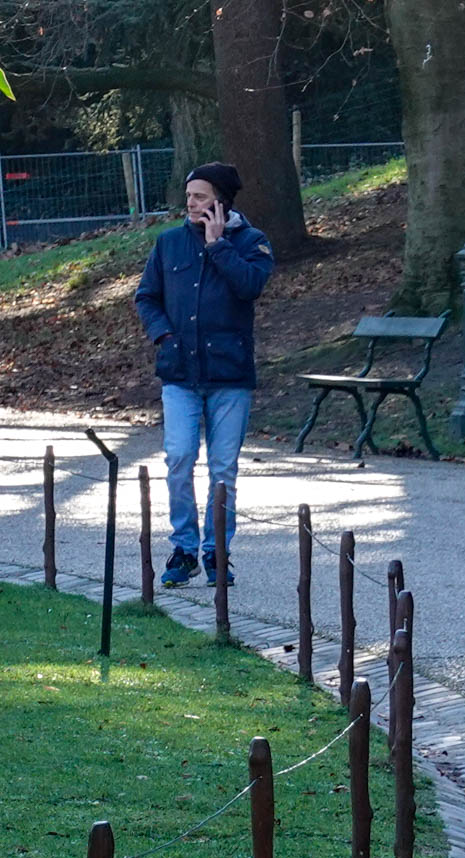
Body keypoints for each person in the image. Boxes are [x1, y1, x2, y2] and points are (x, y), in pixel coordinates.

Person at [133, 162, 275, 588]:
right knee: (178, 458)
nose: (190, 203)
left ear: (221, 201)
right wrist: (164, 336)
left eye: (199, 196)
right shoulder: (169, 243)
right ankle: (183, 549)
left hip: (230, 376)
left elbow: (250, 286)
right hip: (180, 374)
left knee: (223, 469)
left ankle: (217, 553)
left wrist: (218, 246)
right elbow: (147, 297)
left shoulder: (252, 242)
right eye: (189, 196)